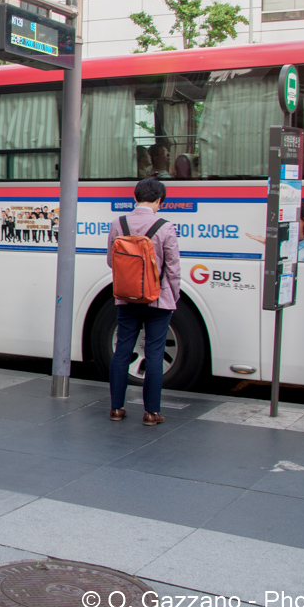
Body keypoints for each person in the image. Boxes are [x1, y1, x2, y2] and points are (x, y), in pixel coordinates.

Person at [107, 177, 181, 426]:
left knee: (122, 352)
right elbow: (172, 269)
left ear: (135, 197)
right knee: (154, 353)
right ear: (159, 200)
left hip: (126, 298)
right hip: (158, 300)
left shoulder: (118, 223)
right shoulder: (165, 227)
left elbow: (111, 261)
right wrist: (174, 295)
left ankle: (116, 408)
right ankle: (151, 413)